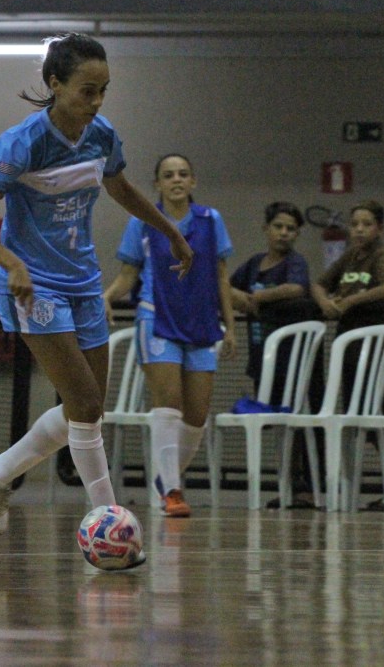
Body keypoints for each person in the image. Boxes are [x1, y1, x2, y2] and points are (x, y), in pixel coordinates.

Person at [0, 33, 192, 552]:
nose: (97, 101)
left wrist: (169, 231)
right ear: (55, 84)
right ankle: (109, 524)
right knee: (81, 402)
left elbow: (120, 187)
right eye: (88, 90)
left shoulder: (101, 135)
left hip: (83, 282)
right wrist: (12, 263)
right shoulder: (21, 142)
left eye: (104, 90)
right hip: (35, 285)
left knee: (88, 411)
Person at [102, 153, 235, 517]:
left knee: (197, 414)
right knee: (168, 402)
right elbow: (127, 275)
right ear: (157, 184)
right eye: (169, 175)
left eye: (183, 174)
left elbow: (222, 276)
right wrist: (106, 297)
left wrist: (231, 326)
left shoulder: (211, 221)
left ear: (193, 181)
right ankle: (173, 491)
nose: (176, 179)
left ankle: (166, 478)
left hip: (202, 322)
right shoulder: (141, 222)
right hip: (156, 317)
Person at [311, 200, 384, 511]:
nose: (360, 230)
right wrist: (325, 302)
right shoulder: (350, 257)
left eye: (367, 224)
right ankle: (352, 491)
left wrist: (350, 301)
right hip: (353, 356)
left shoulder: (383, 255)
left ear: (379, 228)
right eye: (355, 224)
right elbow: (319, 284)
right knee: (357, 421)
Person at [229, 201, 321, 509]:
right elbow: (225, 286)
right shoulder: (254, 264)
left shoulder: (295, 262)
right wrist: (239, 298)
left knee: (296, 423)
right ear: (266, 229)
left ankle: (304, 488)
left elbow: (296, 288)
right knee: (278, 425)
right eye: (278, 227)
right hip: (261, 359)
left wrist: (257, 297)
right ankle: (287, 485)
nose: (284, 233)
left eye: (290, 229)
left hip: (291, 361)